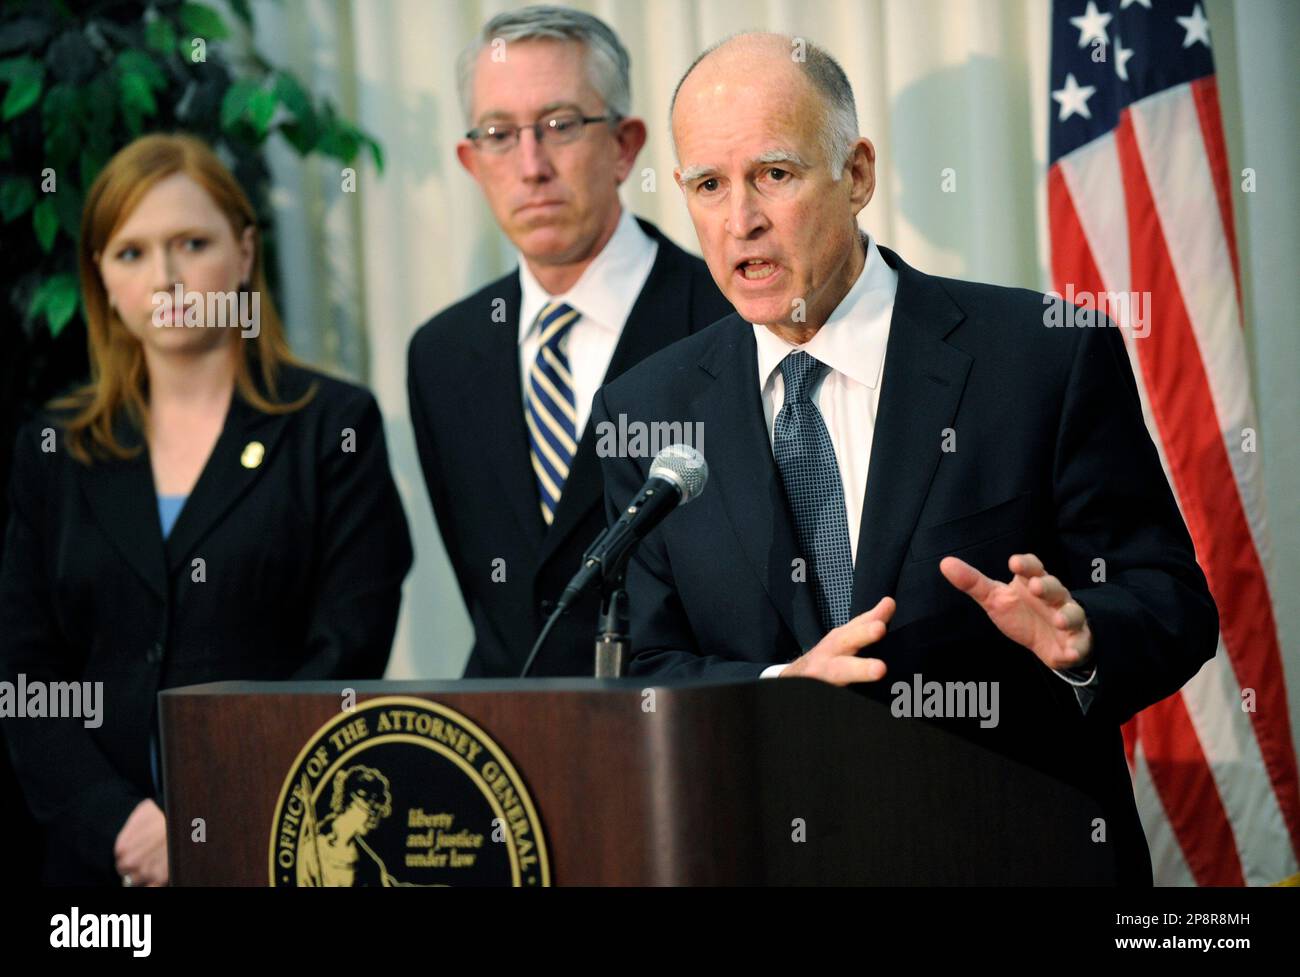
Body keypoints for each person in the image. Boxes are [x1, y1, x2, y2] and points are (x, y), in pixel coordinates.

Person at [591, 33, 1219, 884]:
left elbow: (1171, 601)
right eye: (709, 185)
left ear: (856, 174)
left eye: (774, 174)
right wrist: (781, 686)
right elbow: (648, 666)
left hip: (1013, 852)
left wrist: (1081, 638)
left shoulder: (1038, 356)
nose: (741, 220)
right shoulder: (649, 408)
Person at [0, 133, 413, 886]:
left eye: (191, 243)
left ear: (245, 253)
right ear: (101, 279)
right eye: (131, 253)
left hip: (274, 842)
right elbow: (29, 678)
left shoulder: (333, 427)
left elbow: (345, 653)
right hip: (99, 869)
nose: (165, 278)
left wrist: (210, 810)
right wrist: (117, 821)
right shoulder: (53, 451)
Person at [407, 5, 732, 678]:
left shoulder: (726, 320)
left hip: (683, 736)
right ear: (471, 161)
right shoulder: (442, 353)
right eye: (499, 133)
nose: (531, 165)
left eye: (560, 125)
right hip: (506, 751)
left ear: (624, 145)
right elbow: (495, 603)